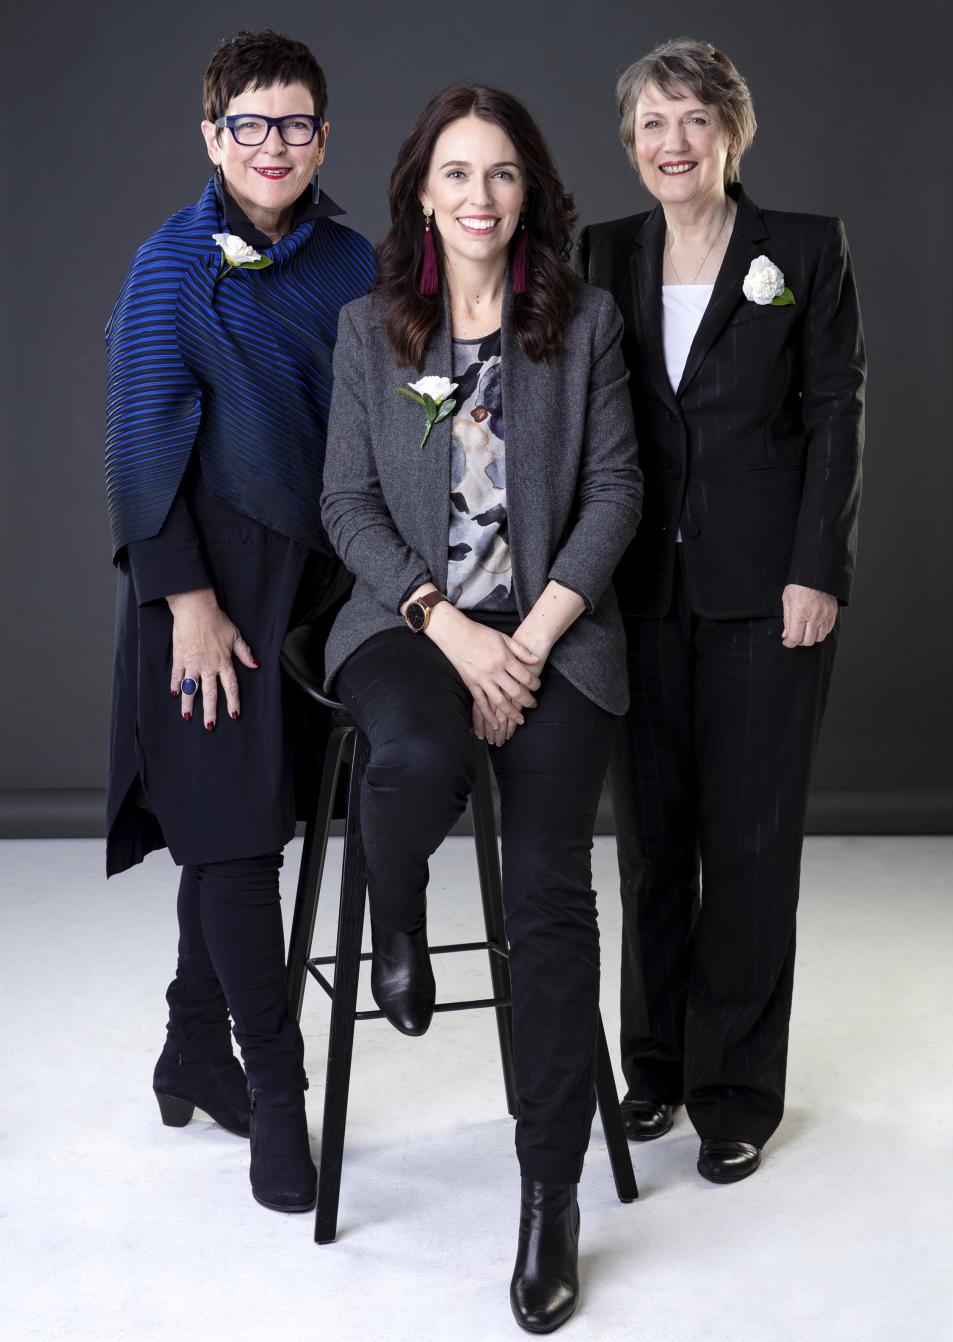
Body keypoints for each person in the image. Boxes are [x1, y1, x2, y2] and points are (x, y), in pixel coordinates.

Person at [321, 85, 641, 1333]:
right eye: (455, 173)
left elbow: (614, 493)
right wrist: (451, 631)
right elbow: (346, 504)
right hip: (412, 625)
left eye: (501, 174)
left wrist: (532, 642)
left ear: (529, 191)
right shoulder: (369, 331)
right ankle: (392, 913)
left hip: (557, 634)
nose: (478, 198)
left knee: (552, 887)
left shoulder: (586, 323)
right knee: (408, 759)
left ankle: (548, 1194)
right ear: (421, 192)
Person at [575, 37, 865, 1184]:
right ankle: (654, 1070)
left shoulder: (801, 248)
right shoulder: (602, 252)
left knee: (748, 847)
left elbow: (838, 411)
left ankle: (738, 1089)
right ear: (632, 144)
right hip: (633, 590)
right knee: (650, 845)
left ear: (732, 132)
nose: (673, 143)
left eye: (694, 119)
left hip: (767, 591)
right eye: (652, 124)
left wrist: (819, 567)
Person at [104, 29, 375, 1213]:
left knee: (245, 825)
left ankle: (189, 1046)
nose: (275, 146)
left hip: (322, 586)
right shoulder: (170, 265)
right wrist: (190, 609)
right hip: (209, 588)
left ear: (325, 135)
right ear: (212, 134)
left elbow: (385, 411)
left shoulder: (355, 260)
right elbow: (138, 444)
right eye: (251, 125)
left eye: (298, 124)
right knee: (234, 841)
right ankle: (275, 1091)